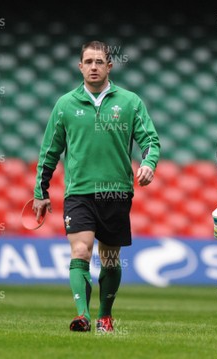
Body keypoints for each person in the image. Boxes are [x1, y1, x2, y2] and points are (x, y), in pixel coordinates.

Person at [32, 40, 160, 332]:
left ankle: (104, 315)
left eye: (98, 62)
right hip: (79, 191)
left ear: (109, 66)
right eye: (88, 62)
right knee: (80, 250)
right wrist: (41, 192)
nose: (93, 67)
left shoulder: (130, 102)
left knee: (110, 257)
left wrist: (149, 163)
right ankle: (82, 315)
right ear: (80, 67)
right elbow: (49, 151)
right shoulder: (65, 105)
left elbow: (151, 140)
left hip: (116, 190)